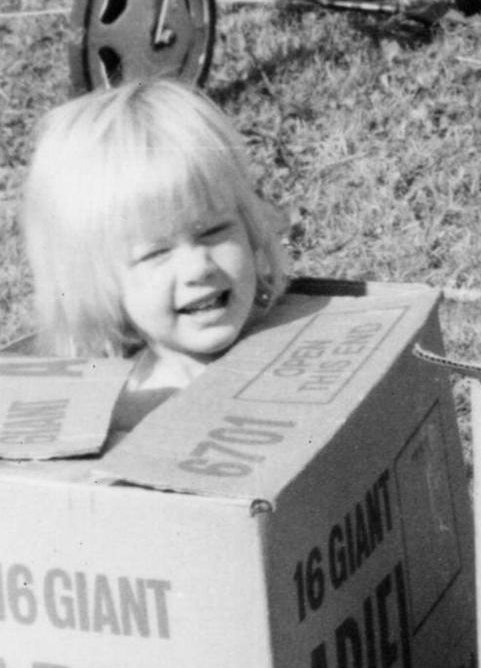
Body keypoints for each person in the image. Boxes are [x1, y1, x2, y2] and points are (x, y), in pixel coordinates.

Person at [21, 78, 291, 431]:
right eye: (156, 253)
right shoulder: (127, 417)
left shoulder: (303, 342)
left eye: (214, 231)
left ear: (250, 226)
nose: (198, 267)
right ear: (98, 289)